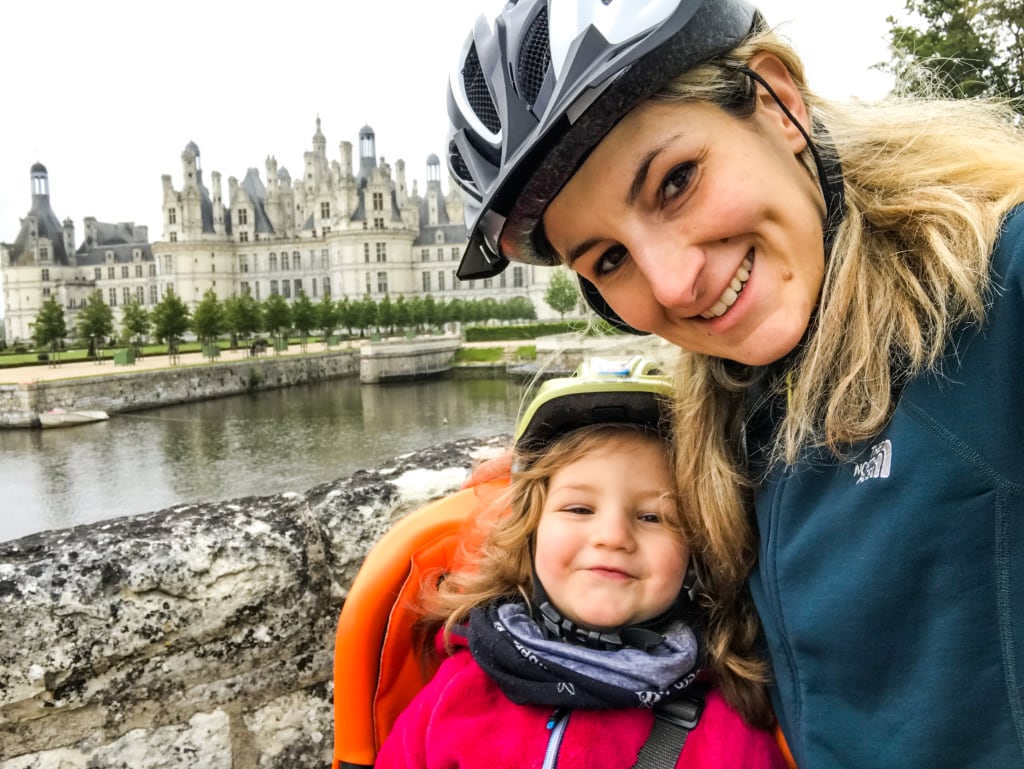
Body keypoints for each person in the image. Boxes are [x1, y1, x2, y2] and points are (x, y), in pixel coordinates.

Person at [443, 1, 1024, 767]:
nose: (676, 282)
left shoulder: (997, 296)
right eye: (609, 259)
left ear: (777, 100)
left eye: (675, 181)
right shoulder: (742, 401)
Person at [375, 358, 788, 768]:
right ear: (529, 530)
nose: (612, 536)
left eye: (652, 517)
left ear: (698, 553)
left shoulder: (727, 736)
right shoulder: (455, 694)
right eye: (578, 509)